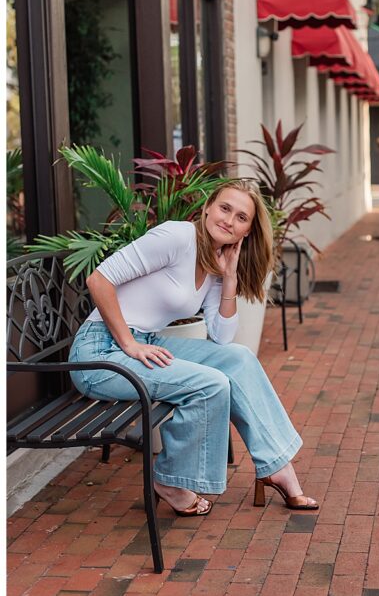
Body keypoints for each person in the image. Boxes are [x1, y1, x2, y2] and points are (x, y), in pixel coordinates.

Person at [69, 179, 319, 516]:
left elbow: (222, 336)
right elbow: (98, 280)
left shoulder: (216, 258)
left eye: (241, 217)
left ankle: (277, 466)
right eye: (225, 208)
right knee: (210, 385)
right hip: (99, 354)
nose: (229, 220)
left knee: (239, 359)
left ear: (247, 231)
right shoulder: (177, 236)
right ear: (207, 208)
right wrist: (127, 343)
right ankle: (171, 479)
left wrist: (228, 277)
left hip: (144, 344)